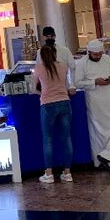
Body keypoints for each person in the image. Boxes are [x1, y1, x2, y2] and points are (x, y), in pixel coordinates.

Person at [72, 39, 110, 173]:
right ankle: (108, 162)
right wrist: (94, 82)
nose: (98, 56)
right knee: (100, 132)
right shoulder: (82, 63)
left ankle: (108, 157)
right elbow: (78, 82)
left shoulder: (107, 59)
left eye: (99, 54)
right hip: (94, 100)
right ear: (89, 52)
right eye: (95, 54)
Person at [32, 45, 74, 183]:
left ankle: (49, 174)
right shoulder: (63, 66)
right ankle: (67, 173)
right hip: (64, 102)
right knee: (66, 138)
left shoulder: (38, 69)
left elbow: (34, 89)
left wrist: (43, 93)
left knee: (48, 139)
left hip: (47, 104)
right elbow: (68, 85)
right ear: (55, 54)